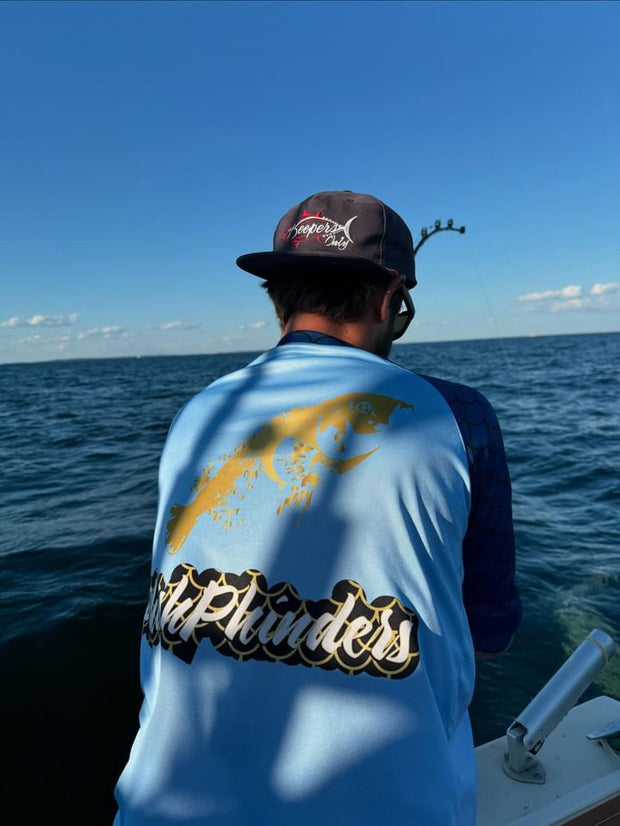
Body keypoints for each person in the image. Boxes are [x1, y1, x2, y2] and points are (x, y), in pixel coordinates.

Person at [114, 190, 521, 825]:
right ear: (393, 301)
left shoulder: (197, 412)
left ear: (277, 297)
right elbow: (491, 635)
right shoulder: (461, 417)